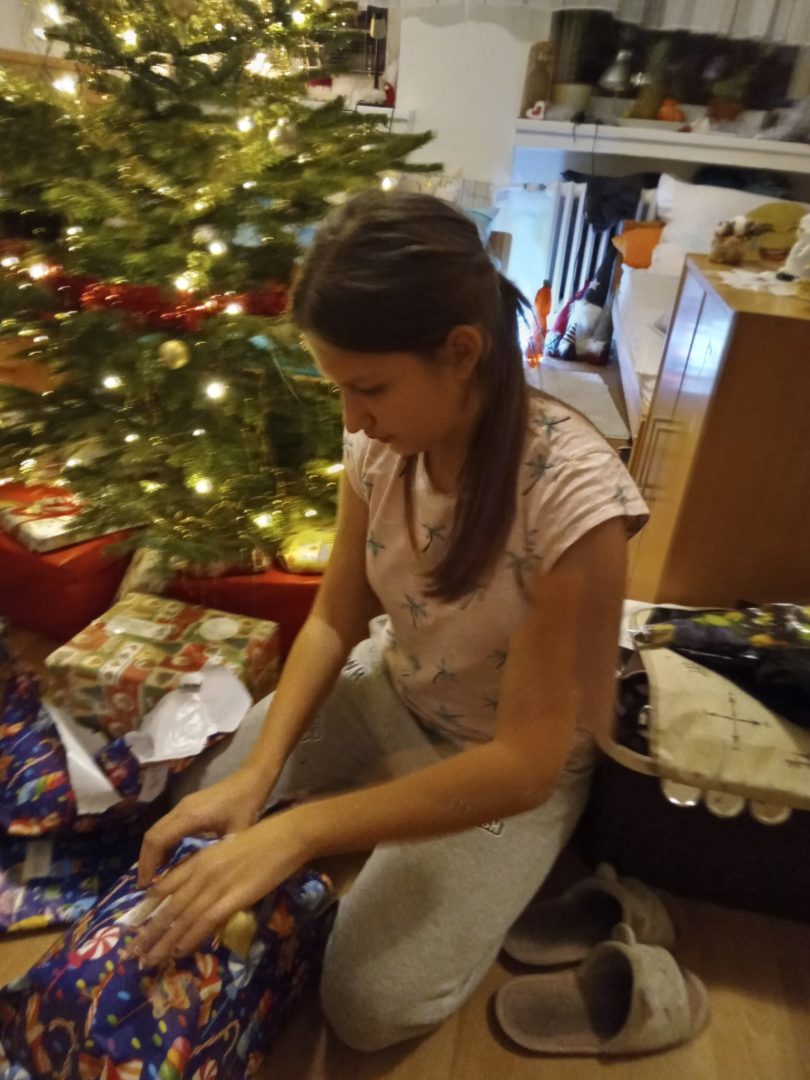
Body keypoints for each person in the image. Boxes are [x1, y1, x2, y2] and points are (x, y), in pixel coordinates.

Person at [131, 191, 648, 1052]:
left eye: (368, 389)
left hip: (502, 765)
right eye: (339, 388)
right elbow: (336, 617)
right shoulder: (380, 445)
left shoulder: (575, 504)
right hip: (392, 687)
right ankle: (358, 807)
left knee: (368, 1006)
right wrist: (259, 775)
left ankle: (389, 825)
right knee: (200, 808)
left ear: (462, 353)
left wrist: (299, 830)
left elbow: (523, 767)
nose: (351, 420)